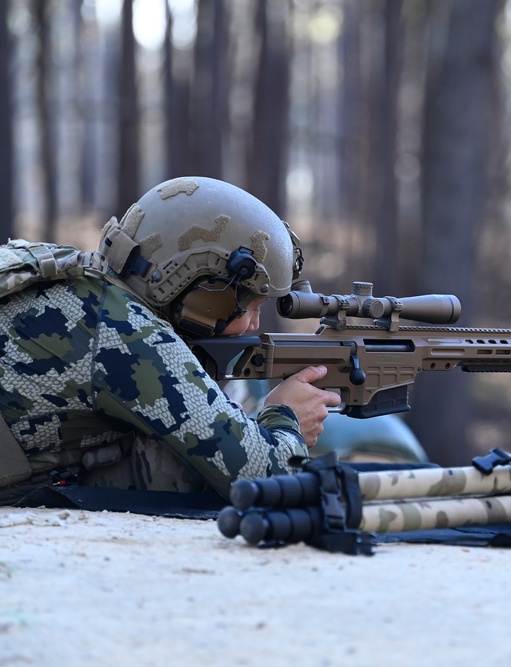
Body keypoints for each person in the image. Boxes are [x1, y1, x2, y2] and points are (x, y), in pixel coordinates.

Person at [0, 176, 342, 505]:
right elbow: (269, 477)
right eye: (251, 305)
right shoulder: (129, 332)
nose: (255, 323)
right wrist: (286, 416)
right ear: (202, 291)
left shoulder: (84, 284)